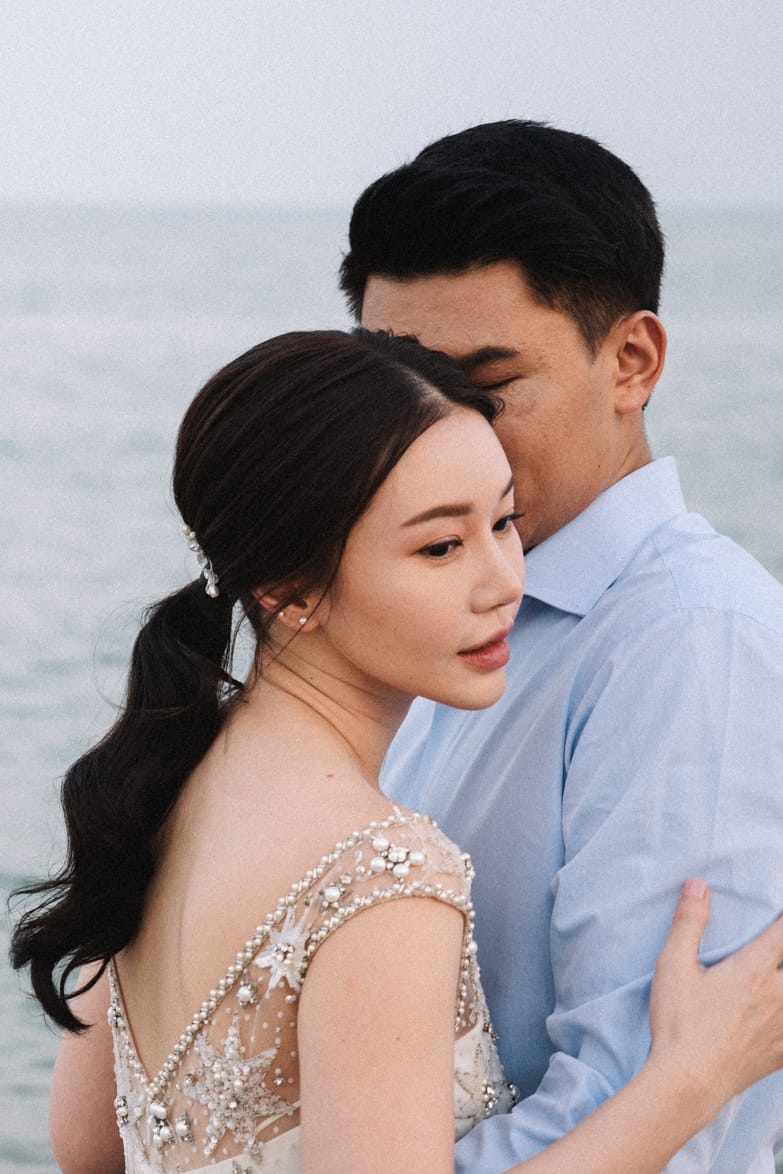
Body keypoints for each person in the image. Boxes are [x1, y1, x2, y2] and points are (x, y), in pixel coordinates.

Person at [9, 329, 783, 1174]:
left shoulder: (162, 779)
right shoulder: (381, 873)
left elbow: (88, 1145)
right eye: (440, 547)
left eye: (504, 522)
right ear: (288, 589)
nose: (505, 580)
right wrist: (692, 1079)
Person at [341, 119, 783, 1171]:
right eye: (398, 390)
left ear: (631, 362)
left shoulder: (688, 643)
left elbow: (658, 1125)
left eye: (486, 388)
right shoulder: (430, 613)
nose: (436, 438)